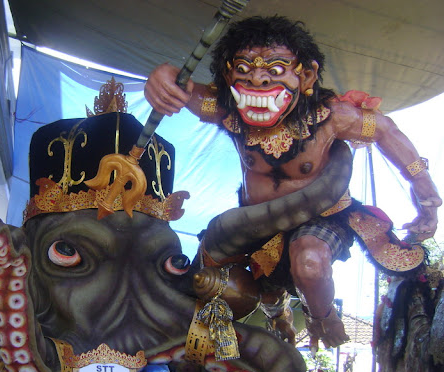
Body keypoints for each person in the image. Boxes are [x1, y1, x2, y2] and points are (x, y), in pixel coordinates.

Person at [144, 15, 441, 350]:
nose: (257, 79)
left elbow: (386, 130)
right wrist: (162, 76)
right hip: (253, 224)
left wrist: (424, 190)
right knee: (214, 283)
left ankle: (321, 317)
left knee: (309, 263)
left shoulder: (332, 116)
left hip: (320, 217)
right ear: (228, 75)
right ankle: (265, 320)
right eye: (243, 69)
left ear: (307, 75)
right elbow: (181, 87)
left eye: (275, 69)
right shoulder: (227, 109)